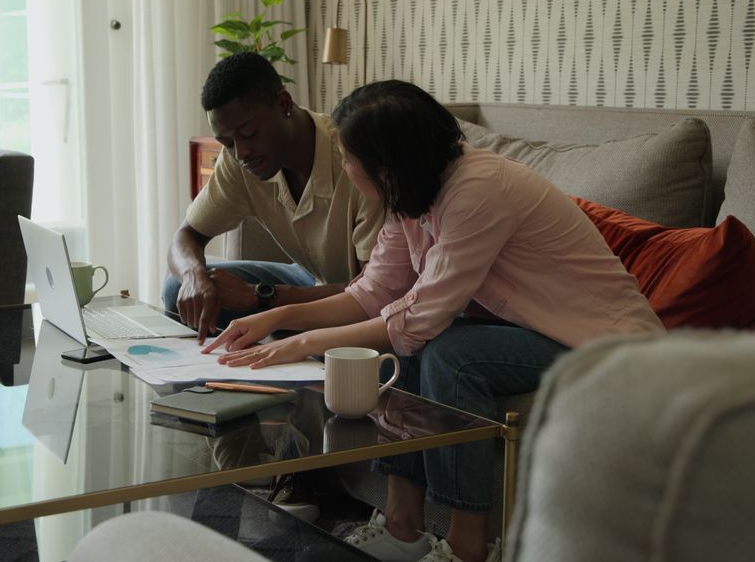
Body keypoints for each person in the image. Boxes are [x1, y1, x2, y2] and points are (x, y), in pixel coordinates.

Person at [202, 80, 665, 562]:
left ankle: (468, 546)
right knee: (419, 347)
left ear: (384, 165)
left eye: (346, 158)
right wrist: (276, 317)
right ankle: (403, 526)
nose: (344, 168)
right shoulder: (412, 194)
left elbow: (418, 317)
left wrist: (302, 344)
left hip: (605, 346)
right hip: (536, 331)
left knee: (450, 355)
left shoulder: (478, 191)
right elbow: (373, 292)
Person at [165, 52, 385, 342]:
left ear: (283, 104)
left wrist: (264, 298)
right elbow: (186, 236)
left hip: (359, 296)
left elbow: (377, 291)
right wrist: (194, 276)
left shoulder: (355, 162)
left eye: (249, 133)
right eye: (227, 143)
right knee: (177, 289)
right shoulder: (237, 160)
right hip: (311, 279)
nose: (241, 153)